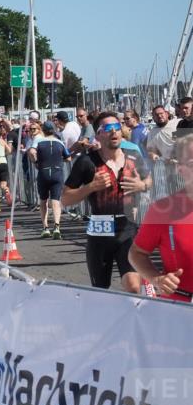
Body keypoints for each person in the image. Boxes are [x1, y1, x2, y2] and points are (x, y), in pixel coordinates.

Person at [63, 112, 152, 294]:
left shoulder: (133, 156)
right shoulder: (86, 162)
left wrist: (142, 185)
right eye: (108, 129)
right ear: (98, 135)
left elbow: (149, 180)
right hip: (100, 229)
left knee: (133, 286)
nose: (114, 132)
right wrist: (90, 187)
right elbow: (65, 198)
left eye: (117, 127)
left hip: (127, 227)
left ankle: (131, 321)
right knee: (101, 291)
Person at [128, 133, 193, 302]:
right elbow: (137, 253)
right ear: (180, 168)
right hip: (179, 309)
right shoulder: (162, 211)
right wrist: (156, 279)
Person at [28, 121, 71, 239]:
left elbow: (31, 152)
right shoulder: (60, 143)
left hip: (44, 172)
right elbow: (69, 158)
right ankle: (57, 227)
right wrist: (61, 160)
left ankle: (45, 228)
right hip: (57, 172)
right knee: (56, 201)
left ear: (44, 130)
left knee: (43, 201)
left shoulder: (39, 141)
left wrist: (35, 162)